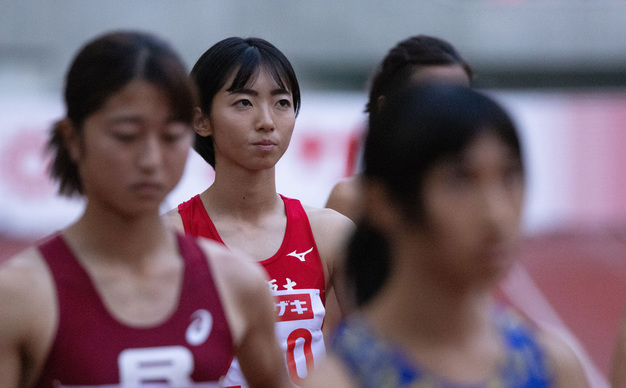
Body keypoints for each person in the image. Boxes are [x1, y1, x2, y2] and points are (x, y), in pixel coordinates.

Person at [0, 31, 290, 388]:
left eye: (170, 136)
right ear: (72, 138)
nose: (150, 160)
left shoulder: (238, 285)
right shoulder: (17, 297)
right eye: (127, 135)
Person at [304, 83, 588, 387]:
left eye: (509, 176)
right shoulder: (340, 381)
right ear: (382, 203)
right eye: (460, 180)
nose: (496, 214)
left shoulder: (554, 367)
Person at [162, 37, 354, 388]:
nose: (266, 121)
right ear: (201, 121)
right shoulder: (170, 238)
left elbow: (377, 354)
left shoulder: (332, 234)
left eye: (282, 102)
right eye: (244, 103)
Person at [324, 34, 473, 224]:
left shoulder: (483, 198)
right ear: (386, 108)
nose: (449, 113)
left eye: (462, 100)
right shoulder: (351, 200)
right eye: (430, 99)